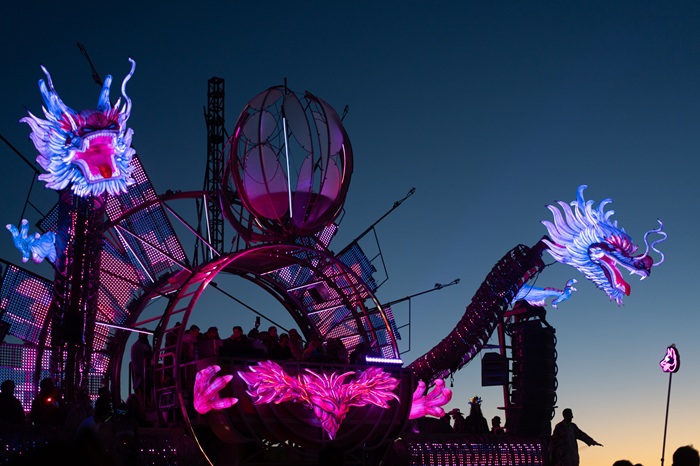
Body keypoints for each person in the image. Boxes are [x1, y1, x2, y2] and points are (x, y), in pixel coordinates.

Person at [130, 331, 153, 399]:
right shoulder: (135, 346)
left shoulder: (149, 346)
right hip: (140, 373)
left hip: (148, 372)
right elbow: (134, 359)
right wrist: (137, 370)